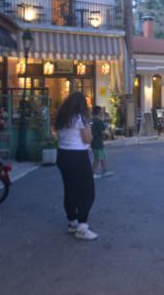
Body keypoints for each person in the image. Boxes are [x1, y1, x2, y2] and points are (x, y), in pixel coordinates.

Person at [55, 92, 97, 240]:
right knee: (87, 191)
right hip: (77, 156)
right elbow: (87, 139)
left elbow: (57, 136)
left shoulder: (62, 119)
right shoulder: (80, 118)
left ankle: (72, 222)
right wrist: (89, 127)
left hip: (62, 155)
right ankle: (82, 227)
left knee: (70, 189)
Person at [91, 105, 113, 179]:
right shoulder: (98, 121)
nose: (102, 112)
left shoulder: (92, 120)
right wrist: (109, 134)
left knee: (102, 157)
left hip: (94, 141)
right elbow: (103, 131)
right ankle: (92, 173)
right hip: (98, 142)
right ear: (99, 112)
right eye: (101, 111)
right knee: (97, 158)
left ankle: (105, 171)